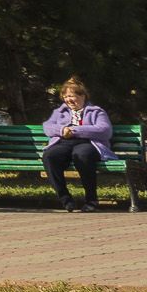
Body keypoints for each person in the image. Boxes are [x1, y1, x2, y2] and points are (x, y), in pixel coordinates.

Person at [43, 78, 114, 210]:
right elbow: (47, 127)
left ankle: (91, 200)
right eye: (65, 96)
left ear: (82, 96)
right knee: (50, 156)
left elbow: (105, 130)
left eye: (71, 96)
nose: (68, 100)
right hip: (64, 142)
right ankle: (65, 199)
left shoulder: (96, 111)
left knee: (81, 154)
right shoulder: (59, 112)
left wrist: (74, 130)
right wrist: (62, 130)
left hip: (88, 143)